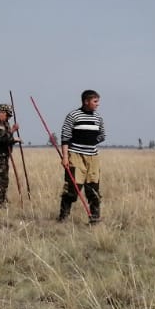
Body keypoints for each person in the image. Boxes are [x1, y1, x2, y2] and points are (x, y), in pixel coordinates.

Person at [58, 89, 105, 223]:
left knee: (93, 189)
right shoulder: (73, 116)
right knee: (72, 189)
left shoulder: (98, 118)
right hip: (75, 156)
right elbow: (65, 137)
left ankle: (95, 219)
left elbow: (102, 135)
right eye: (95, 101)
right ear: (86, 101)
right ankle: (63, 218)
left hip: (93, 157)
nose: (97, 104)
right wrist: (65, 157)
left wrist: (90, 142)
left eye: (98, 102)